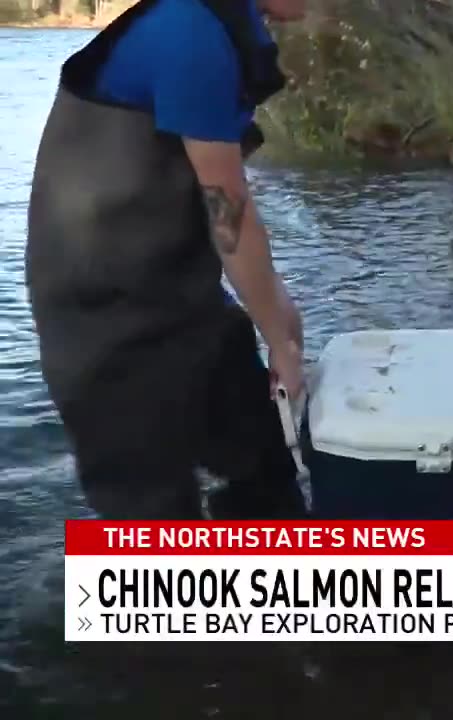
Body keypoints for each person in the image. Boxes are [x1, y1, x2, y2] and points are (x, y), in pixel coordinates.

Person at [25, 0, 309, 520]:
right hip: (103, 328)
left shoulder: (226, 25)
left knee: (266, 477)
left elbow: (223, 206)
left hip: (183, 299)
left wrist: (276, 314)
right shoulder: (190, 33)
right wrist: (279, 337)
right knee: (150, 518)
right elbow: (229, 212)